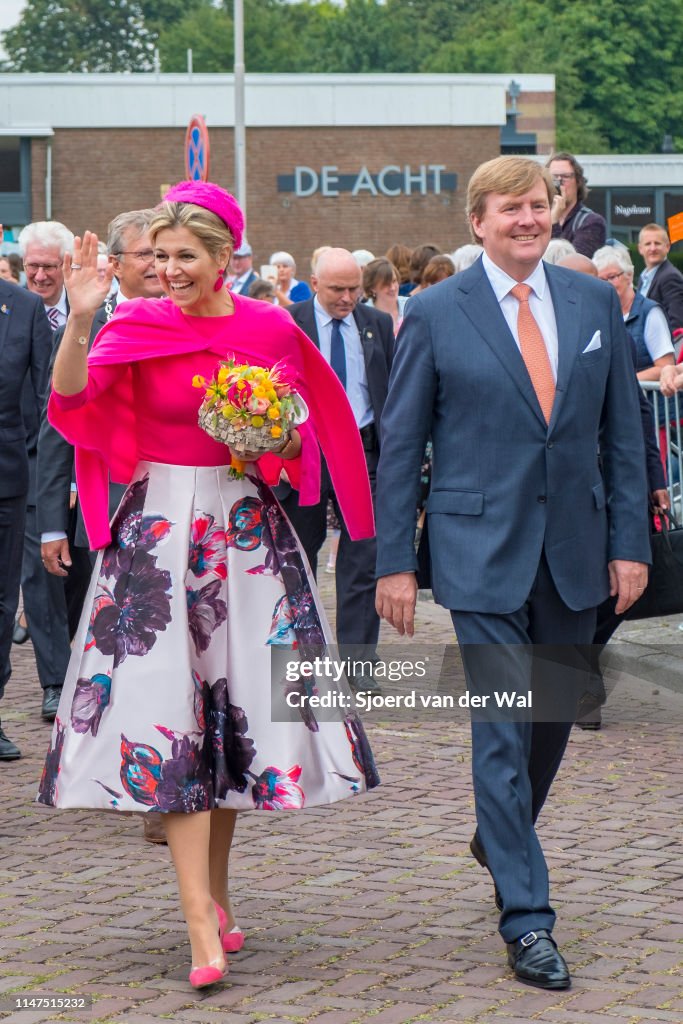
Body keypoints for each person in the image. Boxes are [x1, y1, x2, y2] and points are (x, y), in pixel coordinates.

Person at [39, 182, 379, 987]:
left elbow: (299, 435)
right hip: (156, 531)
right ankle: (198, 923)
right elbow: (70, 398)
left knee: (229, 711)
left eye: (185, 256)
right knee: (171, 716)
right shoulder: (135, 321)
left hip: (245, 535)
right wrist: (83, 318)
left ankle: (217, 895)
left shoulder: (268, 325)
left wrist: (271, 428)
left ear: (225, 258)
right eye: (159, 257)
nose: (169, 270)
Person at [375, 156, 650, 990]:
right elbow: (400, 442)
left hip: (575, 551)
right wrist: (394, 561)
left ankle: (500, 833)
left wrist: (627, 543)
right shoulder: (433, 312)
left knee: (549, 722)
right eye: (509, 209)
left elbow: (622, 437)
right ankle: (527, 919)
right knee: (500, 725)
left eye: (538, 206)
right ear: (477, 221)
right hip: (476, 551)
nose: (527, 219)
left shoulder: (593, 300)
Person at [556, 252, 670, 730]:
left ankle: (583, 664)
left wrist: (656, 479)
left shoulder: (611, 329)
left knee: (619, 593)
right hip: (565, 489)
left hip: (616, 484)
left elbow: (636, 415)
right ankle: (577, 680)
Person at [280, 248, 394, 690]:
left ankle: (359, 666)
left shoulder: (377, 324)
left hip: (362, 451)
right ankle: (302, 659)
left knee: (363, 559)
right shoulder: (290, 321)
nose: (347, 298)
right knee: (298, 554)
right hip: (305, 450)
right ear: (314, 283)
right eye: (337, 290)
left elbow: (389, 387)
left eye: (354, 289)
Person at [17, 220, 76, 721]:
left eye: (48, 266)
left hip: (90, 468)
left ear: (66, 267)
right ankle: (54, 682)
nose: (38, 275)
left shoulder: (92, 314)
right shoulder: (12, 313)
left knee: (80, 578)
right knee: (40, 579)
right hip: (31, 468)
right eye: (31, 266)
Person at [0, 223, 53, 760]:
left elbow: (45, 403)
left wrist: (48, 481)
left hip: (6, 480)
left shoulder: (23, 308)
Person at [592, 245, 674, 382]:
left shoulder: (650, 313)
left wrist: (624, 384)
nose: (606, 285)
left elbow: (666, 367)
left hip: (651, 401)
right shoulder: (600, 315)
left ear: (629, 276)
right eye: (601, 280)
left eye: (612, 277)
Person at [547, 151, 606, 258]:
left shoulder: (591, 222)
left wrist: (553, 222)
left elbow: (572, 265)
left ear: (578, 181)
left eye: (565, 176)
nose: (559, 183)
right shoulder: (538, 218)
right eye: (554, 177)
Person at [637, 223, 683, 339]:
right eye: (648, 244)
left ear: (667, 247)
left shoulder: (670, 277)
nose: (653, 248)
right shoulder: (644, 278)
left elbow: (677, 324)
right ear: (640, 249)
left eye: (657, 243)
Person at [362, 257, 407, 334]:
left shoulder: (409, 305)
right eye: (386, 284)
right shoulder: (363, 314)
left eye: (394, 281)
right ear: (372, 287)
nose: (392, 288)